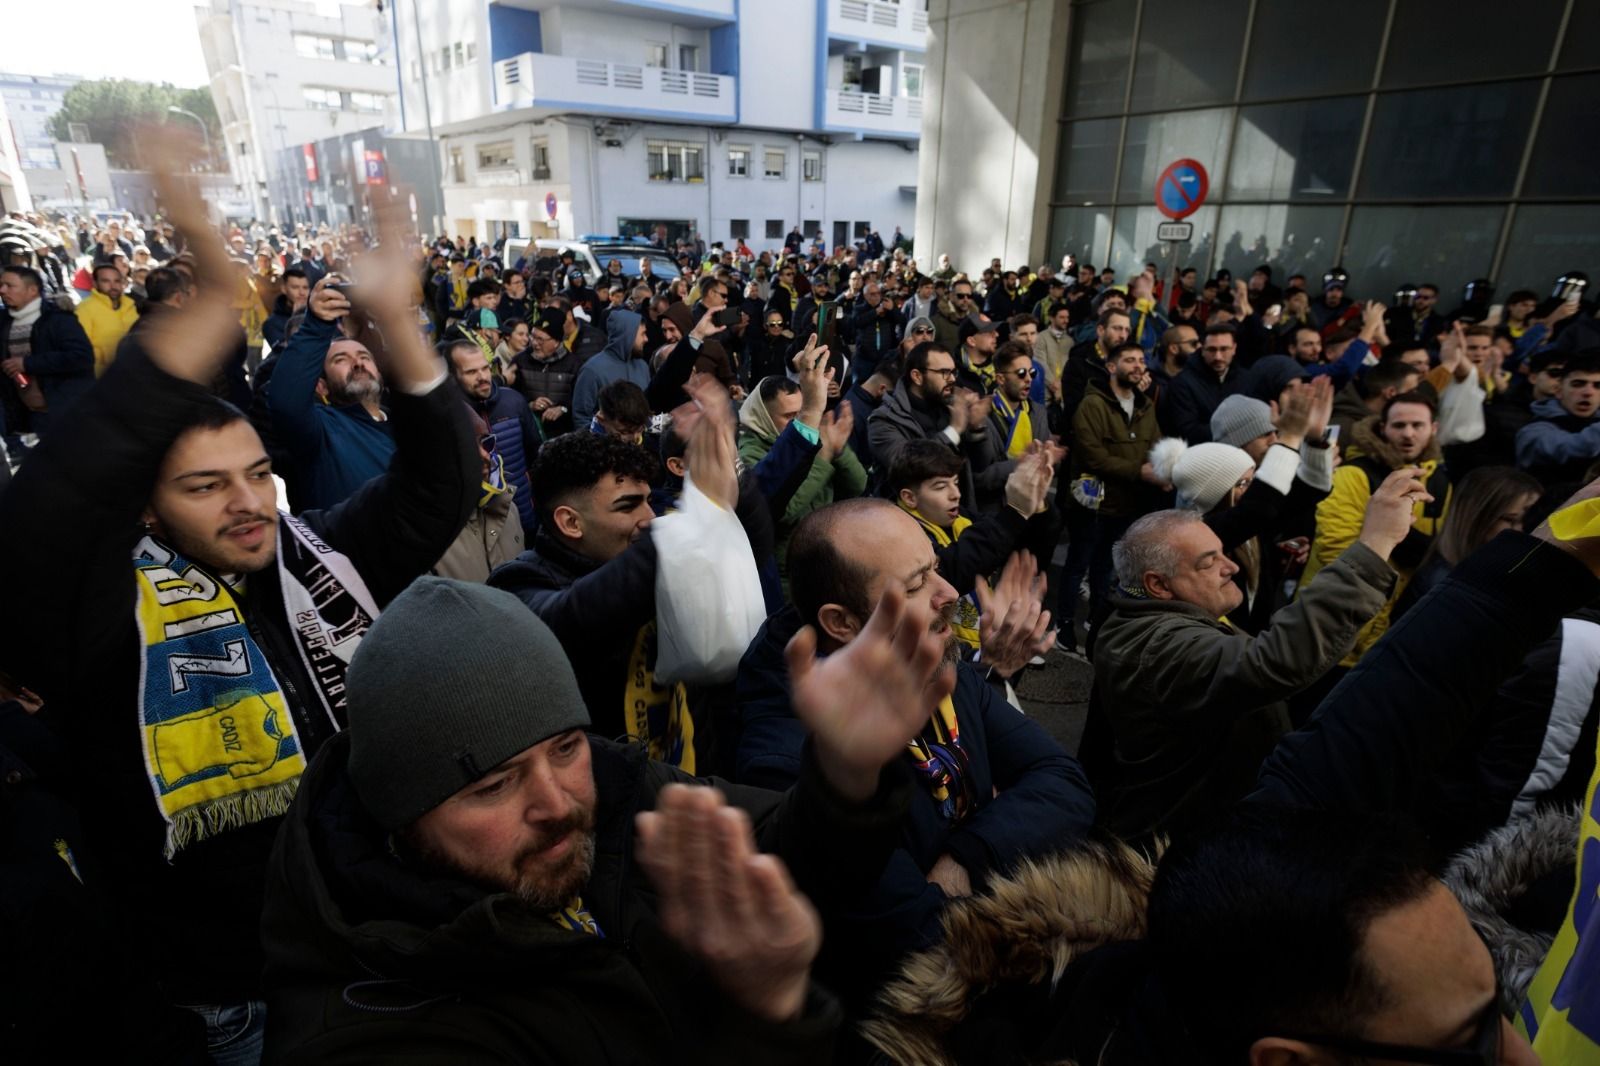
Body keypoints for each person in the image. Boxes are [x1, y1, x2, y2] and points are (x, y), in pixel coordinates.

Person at [0, 175, 477, 1063]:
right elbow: (53, 503)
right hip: (230, 1001)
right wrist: (211, 303)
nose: (248, 503)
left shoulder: (315, 557)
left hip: (373, 944)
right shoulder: (101, 618)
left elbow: (438, 488)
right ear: (145, 510)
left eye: (258, 474)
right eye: (205, 486)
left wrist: (401, 323)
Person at [259, 568, 953, 1063]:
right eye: (494, 786)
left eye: (564, 747)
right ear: (400, 816)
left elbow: (777, 852)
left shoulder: (619, 792)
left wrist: (844, 773)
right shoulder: (369, 1025)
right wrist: (764, 1018)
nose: (558, 805)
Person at [734, 497, 1091, 1003]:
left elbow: (1064, 782)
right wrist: (1006, 829)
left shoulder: (931, 651)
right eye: (917, 583)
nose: (950, 593)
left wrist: (964, 857)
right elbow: (915, 933)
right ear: (842, 622)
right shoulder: (788, 761)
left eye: (937, 568)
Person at [1090, 468, 1419, 840]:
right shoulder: (1159, 647)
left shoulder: (1147, 616)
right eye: (1208, 562)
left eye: (1222, 553)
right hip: (1179, 844)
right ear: (1158, 585)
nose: (1230, 567)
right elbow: (1274, 659)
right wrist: (1374, 545)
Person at [1302, 390, 1452, 669]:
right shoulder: (1353, 475)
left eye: (1417, 425)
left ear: (1433, 429)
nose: (1408, 434)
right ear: (1382, 428)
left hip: (1391, 633)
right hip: (1335, 628)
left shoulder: (1440, 483)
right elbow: (1335, 548)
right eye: (1399, 425)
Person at [1058, 342, 1165, 656]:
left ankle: (1095, 619)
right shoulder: (1092, 405)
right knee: (1078, 563)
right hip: (1093, 504)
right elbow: (1092, 456)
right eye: (1129, 360)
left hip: (1125, 504)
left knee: (1106, 565)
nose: (1137, 365)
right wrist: (1139, 472)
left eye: (1141, 360)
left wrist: (1163, 469)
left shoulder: (1145, 406)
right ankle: (1064, 623)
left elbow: (1155, 444)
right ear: (1111, 367)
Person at [264, 279, 396, 511]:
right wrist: (317, 324)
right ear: (321, 387)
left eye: (365, 357)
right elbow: (287, 402)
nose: (358, 364)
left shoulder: (407, 425)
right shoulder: (320, 432)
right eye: (340, 360)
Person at [737, 372, 864, 579]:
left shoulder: (816, 434)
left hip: (828, 555)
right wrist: (824, 457)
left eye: (802, 411)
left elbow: (858, 486)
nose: (801, 420)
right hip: (789, 570)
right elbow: (786, 511)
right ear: (765, 417)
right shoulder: (750, 455)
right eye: (789, 417)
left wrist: (840, 452)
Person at [1393, 465, 1540, 621]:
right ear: (1475, 518)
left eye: (1529, 521)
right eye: (1510, 520)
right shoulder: (1440, 586)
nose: (1522, 530)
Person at [868, 341, 994, 508]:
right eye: (944, 372)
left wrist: (976, 428)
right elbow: (908, 466)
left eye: (953, 372)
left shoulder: (952, 407)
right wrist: (954, 431)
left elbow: (980, 466)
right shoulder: (884, 420)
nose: (953, 379)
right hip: (910, 520)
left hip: (959, 513)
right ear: (917, 376)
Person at [446, 336, 541, 531]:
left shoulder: (514, 401)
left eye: (485, 367)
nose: (482, 376)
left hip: (524, 515)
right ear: (453, 375)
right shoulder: (448, 417)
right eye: (471, 372)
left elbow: (535, 455)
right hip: (479, 528)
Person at [0, 263, 94, 441]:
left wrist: (27, 363)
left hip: (69, 412)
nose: (3, 290)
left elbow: (81, 357)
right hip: (34, 417)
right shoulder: (4, 322)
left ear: (32, 290)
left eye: (10, 285)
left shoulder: (59, 320)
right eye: (1, 285)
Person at [974, 340, 1052, 513]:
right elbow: (980, 479)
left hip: (1034, 508)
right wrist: (1024, 464)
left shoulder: (1038, 412)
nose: (1029, 379)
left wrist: (1049, 458)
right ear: (1000, 378)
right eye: (1021, 373)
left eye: (1032, 373)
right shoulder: (981, 416)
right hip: (997, 510)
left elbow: (1046, 462)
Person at [1515, 350, 1600, 490]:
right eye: (1578, 384)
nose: (1588, 392)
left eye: (1598, 386)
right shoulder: (1534, 431)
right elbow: (1569, 448)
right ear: (1559, 390)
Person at [1159, 321, 1240, 444]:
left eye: (1224, 349)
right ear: (1202, 349)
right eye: (1212, 350)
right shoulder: (1182, 384)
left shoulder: (1246, 378)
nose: (1218, 356)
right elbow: (1187, 431)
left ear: (1234, 348)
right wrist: (1236, 429)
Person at [570, 308, 650, 430]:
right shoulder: (592, 370)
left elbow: (647, 414)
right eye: (642, 334)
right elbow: (581, 417)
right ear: (628, 335)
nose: (646, 339)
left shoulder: (642, 366)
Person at [75, 261, 140, 376]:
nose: (113, 286)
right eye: (106, 281)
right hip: (102, 377)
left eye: (117, 281)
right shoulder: (84, 309)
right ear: (95, 283)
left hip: (135, 374)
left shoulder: (132, 306)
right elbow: (80, 348)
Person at [261, 266, 310, 353]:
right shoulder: (271, 323)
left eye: (305, 288)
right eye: (295, 287)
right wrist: (297, 319)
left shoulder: (319, 315)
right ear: (284, 289)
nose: (302, 293)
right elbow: (287, 351)